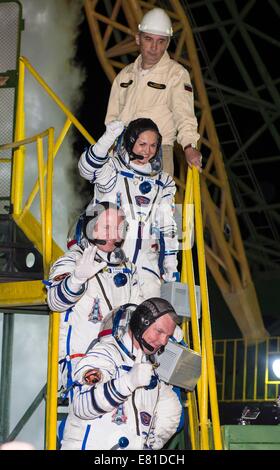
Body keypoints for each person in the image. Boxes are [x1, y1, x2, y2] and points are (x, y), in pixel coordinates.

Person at [46, 202, 143, 397]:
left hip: (120, 364)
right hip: (80, 366)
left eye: (119, 229)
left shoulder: (128, 269)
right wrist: (77, 279)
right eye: (107, 227)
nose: (114, 235)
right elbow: (55, 301)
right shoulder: (71, 261)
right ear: (90, 228)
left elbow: (137, 315)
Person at [61, 297, 182, 450]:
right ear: (141, 323)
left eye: (168, 336)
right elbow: (81, 404)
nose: (163, 341)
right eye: (159, 332)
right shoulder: (104, 354)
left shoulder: (151, 372)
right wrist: (127, 383)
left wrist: (152, 444)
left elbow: (171, 408)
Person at [78, 118, 179, 300]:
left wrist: (171, 266)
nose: (147, 151)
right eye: (142, 144)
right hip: (106, 262)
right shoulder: (113, 170)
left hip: (147, 265)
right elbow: (86, 169)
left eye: (153, 146)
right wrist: (107, 138)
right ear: (130, 141)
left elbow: (167, 226)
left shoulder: (164, 182)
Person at [105, 7, 202, 176]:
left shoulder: (176, 74)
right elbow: (112, 118)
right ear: (138, 39)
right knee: (113, 202)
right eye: (149, 39)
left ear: (168, 43)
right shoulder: (124, 76)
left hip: (157, 155)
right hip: (121, 153)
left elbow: (184, 114)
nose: (154, 47)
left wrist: (189, 147)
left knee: (155, 202)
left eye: (161, 41)